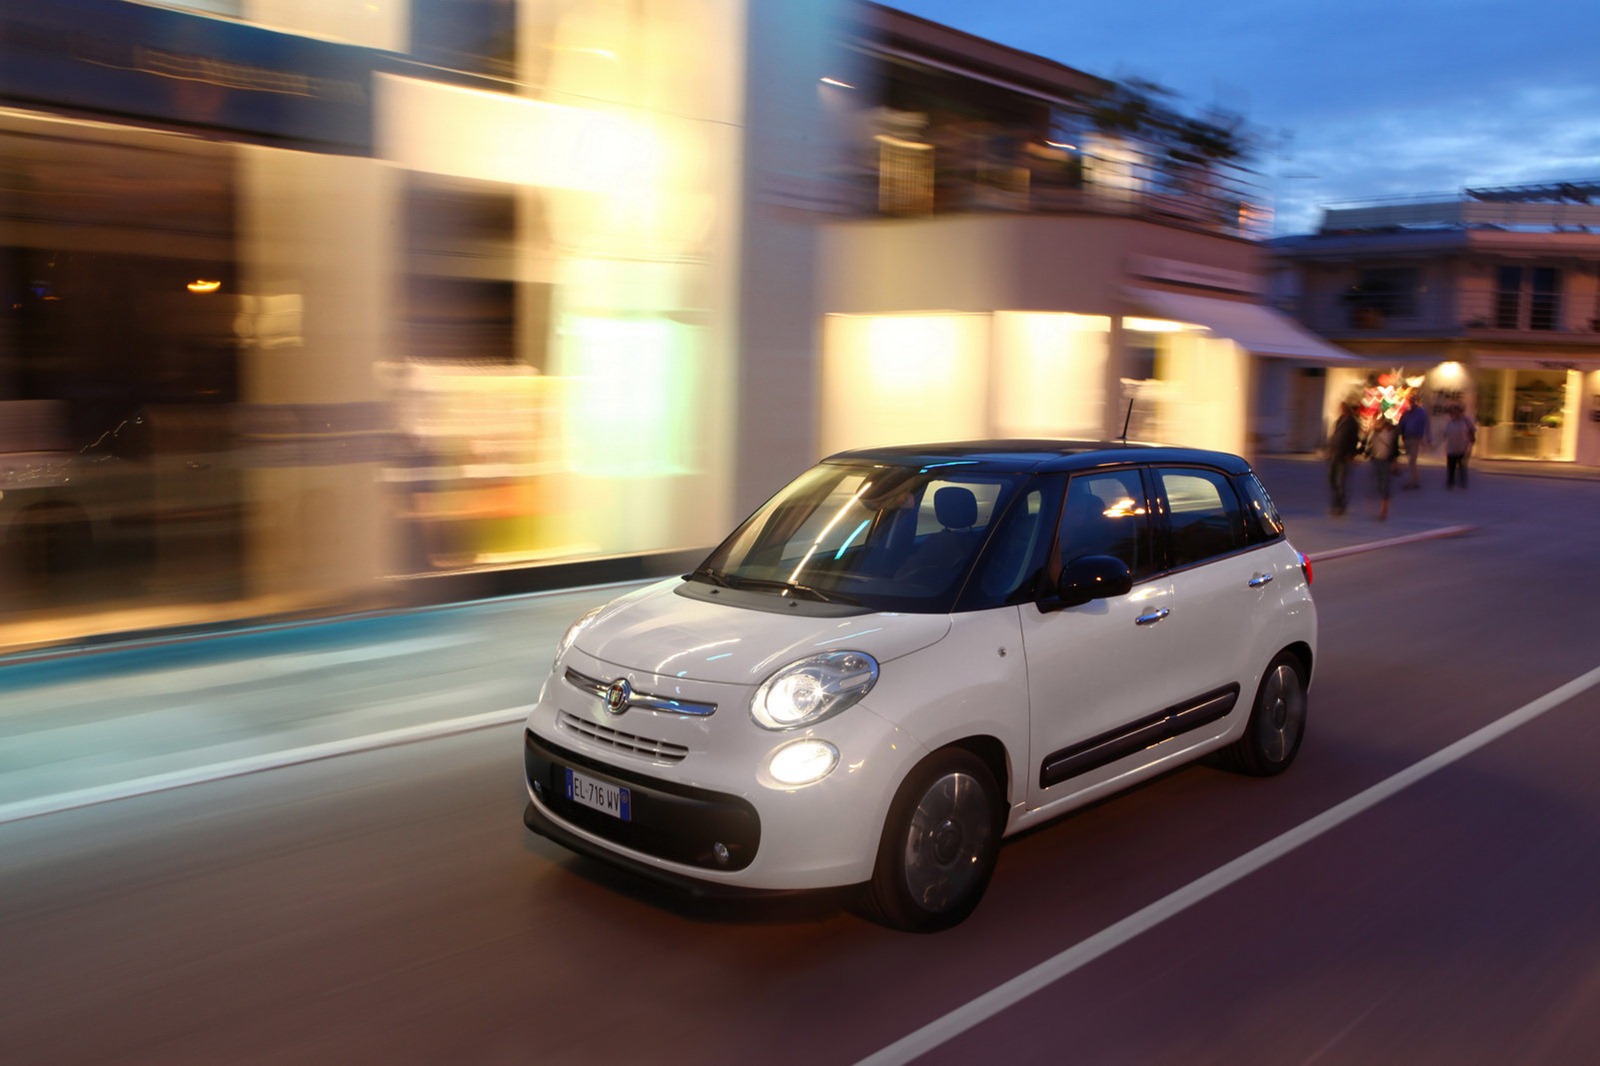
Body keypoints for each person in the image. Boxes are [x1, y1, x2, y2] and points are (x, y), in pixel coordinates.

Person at [1326, 401, 1360, 515]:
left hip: (1344, 455)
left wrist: (1351, 454)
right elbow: (1334, 436)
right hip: (1335, 453)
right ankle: (1336, 501)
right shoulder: (1340, 420)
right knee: (1332, 478)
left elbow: (1354, 439)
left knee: (1340, 481)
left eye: (1342, 408)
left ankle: (1339, 503)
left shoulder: (1352, 422)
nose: (1340, 409)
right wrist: (1330, 449)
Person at [1366, 416, 1399, 520]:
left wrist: (1394, 462)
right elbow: (1370, 445)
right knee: (1382, 484)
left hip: (1383, 461)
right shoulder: (1378, 433)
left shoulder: (1389, 434)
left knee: (1384, 485)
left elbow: (1394, 450)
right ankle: (1383, 509)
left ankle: (1384, 511)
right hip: (1380, 460)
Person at [1397, 399, 1431, 489]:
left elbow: (1424, 425)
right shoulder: (1407, 413)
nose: (1411, 404)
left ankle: (1414, 480)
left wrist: (1423, 437)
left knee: (1412, 461)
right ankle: (1412, 479)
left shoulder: (1420, 413)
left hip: (1415, 438)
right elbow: (1401, 424)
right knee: (1410, 460)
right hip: (1407, 438)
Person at [1441, 404, 1477, 489]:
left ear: (1461, 412)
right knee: (1451, 466)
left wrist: (1470, 441)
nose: (1455, 413)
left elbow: (1472, 430)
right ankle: (1450, 482)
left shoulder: (1466, 421)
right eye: (1453, 412)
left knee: (1462, 466)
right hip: (1451, 448)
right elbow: (1445, 434)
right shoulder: (1450, 422)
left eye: (1457, 411)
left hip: (1463, 448)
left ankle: (1463, 482)